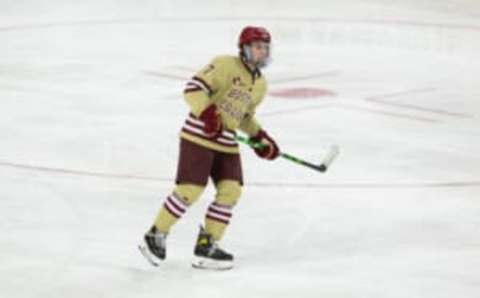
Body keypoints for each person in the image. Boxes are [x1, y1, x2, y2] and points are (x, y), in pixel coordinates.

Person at [139, 26, 280, 270]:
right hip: (199, 135)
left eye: (265, 47)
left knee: (231, 191)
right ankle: (155, 234)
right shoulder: (225, 64)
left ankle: (207, 245)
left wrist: (260, 137)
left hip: (226, 142)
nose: (262, 52)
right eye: (257, 47)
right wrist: (207, 114)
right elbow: (193, 89)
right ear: (245, 48)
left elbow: (244, 117)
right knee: (190, 189)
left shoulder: (261, 85)